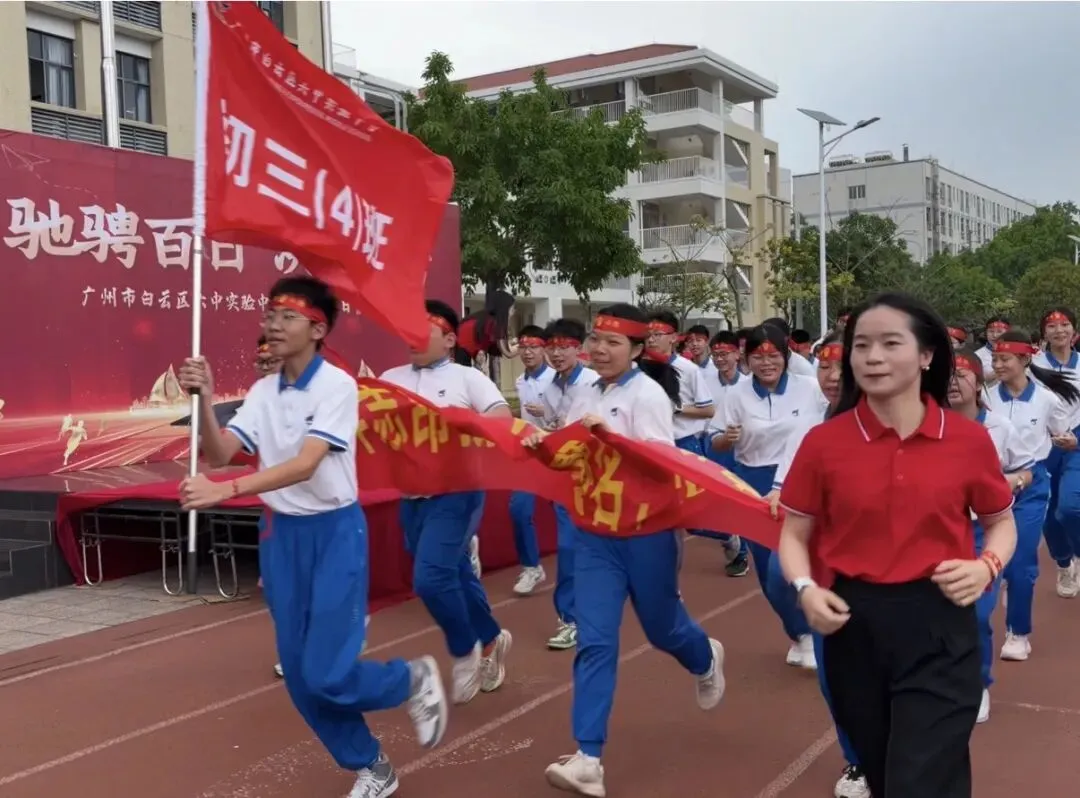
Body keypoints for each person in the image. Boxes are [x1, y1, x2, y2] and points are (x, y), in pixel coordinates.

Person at [178, 277, 448, 798]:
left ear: (318, 328)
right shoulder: (262, 391)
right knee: (301, 680)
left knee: (327, 673)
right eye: (269, 314)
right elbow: (219, 453)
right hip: (281, 537)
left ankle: (408, 680)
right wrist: (207, 400)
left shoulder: (337, 387)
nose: (272, 325)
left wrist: (226, 489)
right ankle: (372, 764)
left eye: (287, 317)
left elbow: (305, 465)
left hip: (334, 535)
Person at [777, 292, 1017, 798]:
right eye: (861, 345)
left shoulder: (968, 440)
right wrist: (804, 589)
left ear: (927, 355)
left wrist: (987, 566)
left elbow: (1001, 522)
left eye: (890, 343)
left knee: (920, 778)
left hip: (940, 622)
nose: (873, 357)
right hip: (853, 624)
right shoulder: (825, 443)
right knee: (885, 774)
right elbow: (794, 533)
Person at [528, 304, 724, 798]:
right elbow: (571, 455)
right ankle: (588, 757)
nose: (598, 348)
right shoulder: (583, 391)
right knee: (596, 640)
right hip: (595, 532)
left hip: (647, 533)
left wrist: (611, 438)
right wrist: (545, 447)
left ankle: (703, 656)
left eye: (612, 343)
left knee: (662, 629)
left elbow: (663, 468)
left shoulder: (648, 396)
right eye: (595, 339)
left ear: (637, 350)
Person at [379, 300, 513, 704]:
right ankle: (491, 638)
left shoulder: (466, 378)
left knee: (430, 578)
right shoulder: (391, 378)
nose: (413, 339)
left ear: (450, 339)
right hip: (412, 494)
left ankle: (464, 646)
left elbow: (502, 419)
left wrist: (460, 421)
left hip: (457, 492)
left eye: (424, 331)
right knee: (452, 568)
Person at [766, 333, 867, 798]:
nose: (831, 377)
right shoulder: (809, 423)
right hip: (826, 566)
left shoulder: (888, 420)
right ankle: (858, 760)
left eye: (841, 367)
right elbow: (787, 487)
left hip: (884, 571)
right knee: (836, 676)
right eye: (823, 367)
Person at [710, 323, 823, 668]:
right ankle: (798, 632)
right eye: (758, 357)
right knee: (768, 575)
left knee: (785, 567)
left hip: (799, 481)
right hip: (754, 484)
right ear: (746, 360)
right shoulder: (736, 394)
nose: (766, 363)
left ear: (786, 357)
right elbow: (715, 440)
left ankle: (814, 632)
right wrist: (727, 438)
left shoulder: (810, 388)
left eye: (774, 355)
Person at [949, 346, 1036, 723]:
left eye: (962, 374)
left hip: (982, 531)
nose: (953, 382)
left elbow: (1026, 469)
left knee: (976, 612)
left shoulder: (1000, 426)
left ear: (978, 380)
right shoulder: (926, 422)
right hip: (937, 532)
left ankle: (978, 682)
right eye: (946, 375)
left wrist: (1011, 481)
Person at [984, 329, 1078, 661]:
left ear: (1025, 360)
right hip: (989, 486)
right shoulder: (986, 397)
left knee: (1022, 561)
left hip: (1030, 486)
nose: (997, 364)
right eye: (994, 358)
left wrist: (1067, 441)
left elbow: (1061, 431)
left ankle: (1018, 633)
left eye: (1005, 358)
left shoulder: (1047, 398)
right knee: (991, 563)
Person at [539, 318, 600, 650]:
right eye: (552, 347)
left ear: (579, 348)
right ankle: (570, 618)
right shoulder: (550, 387)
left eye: (564, 346)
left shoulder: (594, 383)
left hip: (600, 478)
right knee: (567, 547)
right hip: (567, 477)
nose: (557, 353)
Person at [1031, 307, 1080, 598]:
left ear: (1073, 330)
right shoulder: (1032, 366)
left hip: (1076, 442)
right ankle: (1063, 563)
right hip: (1044, 444)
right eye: (1052, 325)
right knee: (1048, 513)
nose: (1059, 330)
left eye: (1065, 324)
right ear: (1044, 332)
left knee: (1071, 507)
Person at [508, 324, 554, 597]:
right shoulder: (520, 381)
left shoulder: (557, 379)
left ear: (544, 349)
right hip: (530, 451)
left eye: (533, 347)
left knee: (572, 515)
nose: (527, 352)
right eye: (523, 347)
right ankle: (531, 566)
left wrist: (547, 412)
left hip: (558, 451)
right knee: (518, 510)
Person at [700, 330, 750, 577]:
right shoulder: (704, 380)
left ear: (737, 354)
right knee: (712, 506)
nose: (719, 359)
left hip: (742, 451)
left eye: (725, 354)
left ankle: (741, 554)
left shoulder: (748, 385)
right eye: (716, 354)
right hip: (713, 447)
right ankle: (731, 537)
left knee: (741, 502)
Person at [974, 316, 1010, 382]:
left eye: (999, 331)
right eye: (991, 331)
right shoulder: (977, 355)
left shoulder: (1017, 353)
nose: (995, 335)